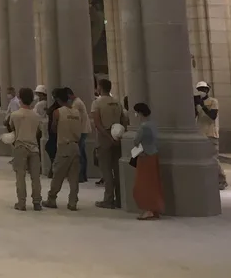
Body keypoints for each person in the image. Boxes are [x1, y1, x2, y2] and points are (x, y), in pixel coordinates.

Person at [43, 88, 83, 210]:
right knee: (74, 177)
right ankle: (73, 202)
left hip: (64, 146)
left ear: (58, 100)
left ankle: (51, 199)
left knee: (58, 175)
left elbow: (54, 129)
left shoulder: (57, 112)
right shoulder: (76, 112)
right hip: (75, 146)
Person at [8, 87, 43, 211]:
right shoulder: (36, 116)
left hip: (20, 146)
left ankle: (21, 202)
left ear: (20, 98)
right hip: (34, 147)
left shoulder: (15, 115)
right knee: (35, 177)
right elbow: (38, 132)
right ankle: (37, 202)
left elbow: (12, 128)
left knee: (20, 176)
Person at [92, 79, 125, 208]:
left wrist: (108, 137)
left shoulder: (97, 103)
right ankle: (120, 199)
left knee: (106, 170)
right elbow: (123, 120)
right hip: (117, 137)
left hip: (104, 138)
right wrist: (118, 137)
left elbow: (97, 123)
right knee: (117, 170)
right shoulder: (117, 102)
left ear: (100, 87)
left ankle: (108, 199)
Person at [131, 102, 164, 220]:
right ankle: (155, 208)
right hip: (153, 154)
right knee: (154, 182)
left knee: (144, 183)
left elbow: (136, 141)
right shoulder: (153, 124)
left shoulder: (143, 127)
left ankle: (148, 209)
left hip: (145, 156)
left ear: (139, 113)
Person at [195, 81, 227, 189]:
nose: (201, 92)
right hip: (200, 133)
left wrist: (202, 105)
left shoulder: (213, 101)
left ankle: (221, 180)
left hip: (211, 133)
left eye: (203, 90)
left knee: (213, 158)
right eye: (200, 90)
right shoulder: (197, 103)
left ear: (207, 90)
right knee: (200, 159)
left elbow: (212, 116)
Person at [66, 87, 91, 182]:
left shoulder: (76, 103)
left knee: (79, 153)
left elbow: (73, 117)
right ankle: (83, 175)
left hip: (81, 130)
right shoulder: (78, 101)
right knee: (82, 152)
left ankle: (80, 175)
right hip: (83, 129)